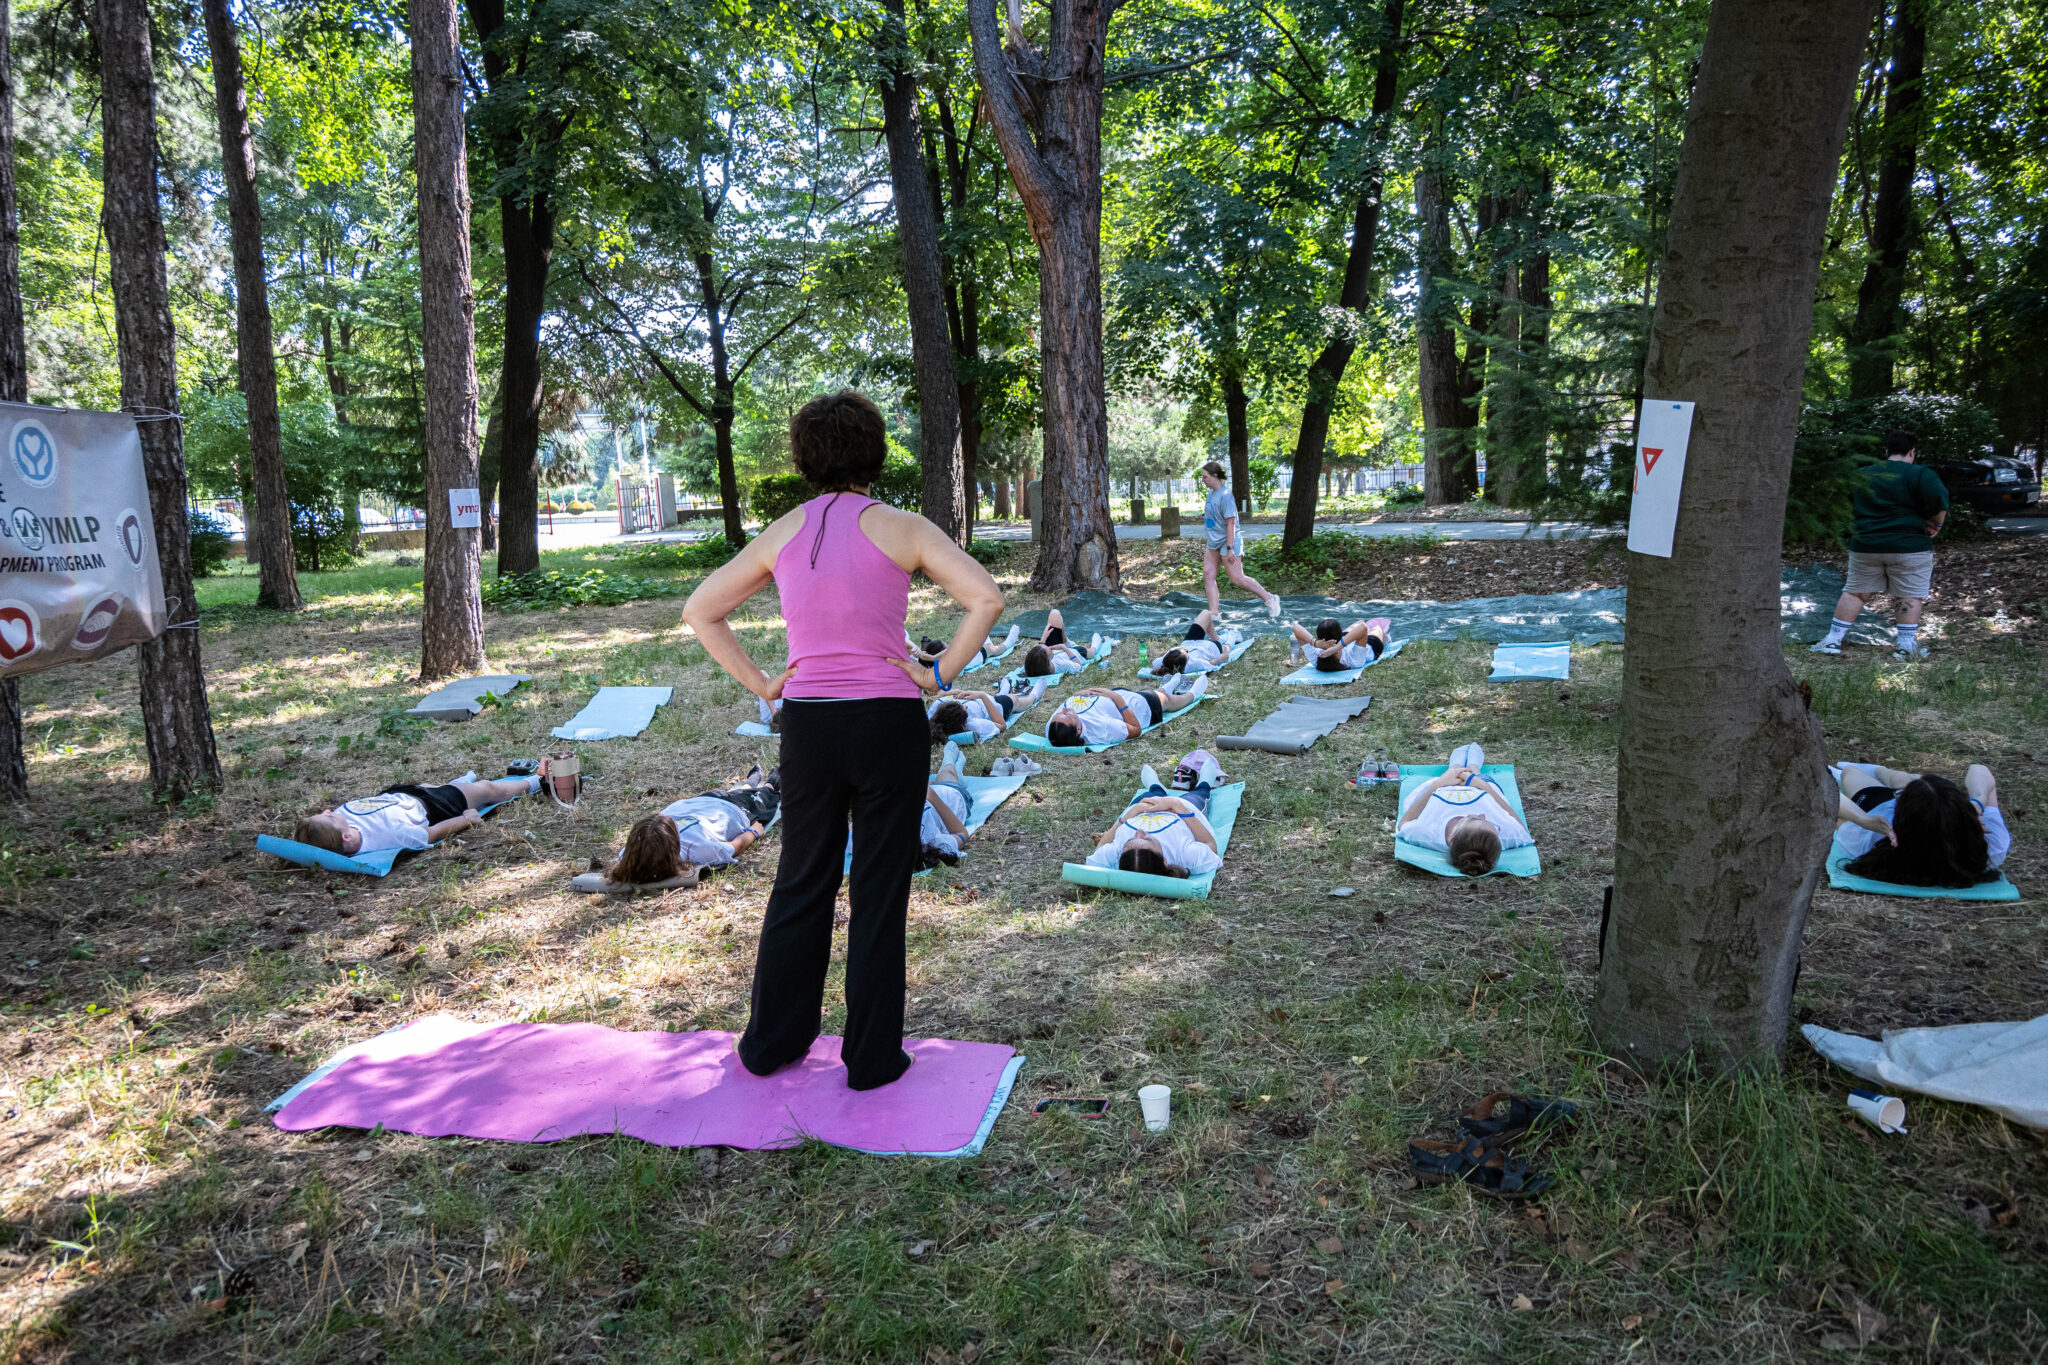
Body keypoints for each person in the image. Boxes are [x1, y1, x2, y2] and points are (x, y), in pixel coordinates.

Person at [682, 388, 1004, 1091]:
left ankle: (771, 1042)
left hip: (811, 727)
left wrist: (763, 684)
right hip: (887, 723)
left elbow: (701, 610)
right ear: (875, 452)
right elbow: (986, 597)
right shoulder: (904, 527)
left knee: (803, 878)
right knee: (879, 889)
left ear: (805, 459)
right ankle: (872, 1058)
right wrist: (939, 673)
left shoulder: (782, 532)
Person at [1811, 430, 1949, 661]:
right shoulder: (1921, 474)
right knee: (1909, 594)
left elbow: (1842, 504)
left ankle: (1832, 640)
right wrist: (1936, 524)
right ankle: (1905, 647)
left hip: (1866, 545)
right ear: (1912, 452)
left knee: (1855, 592)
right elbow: (1939, 502)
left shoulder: (1863, 474)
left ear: (1886, 452)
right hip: (1910, 545)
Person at [1834, 761, 2009, 887]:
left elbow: (1830, 801)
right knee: (1910, 783)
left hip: (1880, 807)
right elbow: (1979, 769)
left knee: (1850, 772)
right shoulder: (1991, 845)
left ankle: (1885, 773)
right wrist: (1978, 801)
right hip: (1928, 805)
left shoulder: (1869, 841)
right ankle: (1895, 776)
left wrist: (1864, 820)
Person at [294, 771, 540, 856]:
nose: (328, 811)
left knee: (434, 786)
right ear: (346, 837)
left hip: (398, 795)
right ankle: (537, 781)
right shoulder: (391, 836)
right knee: (487, 789)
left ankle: (456, 784)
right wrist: (465, 820)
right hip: (431, 805)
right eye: (328, 816)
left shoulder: (341, 825)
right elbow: (432, 833)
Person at [607, 767, 783, 882]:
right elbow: (735, 846)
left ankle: (753, 781)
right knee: (765, 794)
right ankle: (766, 782)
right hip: (713, 804)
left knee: (743, 794)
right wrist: (753, 832)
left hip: (717, 805)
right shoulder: (699, 849)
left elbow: (733, 847)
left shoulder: (628, 856)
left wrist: (753, 832)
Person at [1394, 743, 1532, 875]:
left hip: (1442, 788)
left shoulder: (1427, 833)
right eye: (1490, 823)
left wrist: (1439, 783)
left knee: (1453, 771)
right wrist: (1484, 786)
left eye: (1472, 818)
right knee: (1476, 773)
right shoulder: (1503, 836)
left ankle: (1455, 767)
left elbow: (1403, 824)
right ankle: (1473, 767)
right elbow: (1521, 828)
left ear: (1451, 837)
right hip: (1479, 787)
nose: (1482, 815)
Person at [1082, 754, 1228, 878]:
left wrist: (1132, 813)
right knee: (1200, 793)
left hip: (1140, 810)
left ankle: (1156, 787)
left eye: (1131, 840)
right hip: (1182, 811)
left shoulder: (1116, 855)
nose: (1139, 832)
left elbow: (1101, 846)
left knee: (1153, 793)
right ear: (1165, 861)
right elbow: (1210, 845)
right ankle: (1205, 782)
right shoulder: (1185, 856)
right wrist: (1174, 804)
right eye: (1147, 839)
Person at [1198, 461, 1282, 619]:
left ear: (1215, 476)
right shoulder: (1211, 493)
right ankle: (1214, 614)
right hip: (1213, 542)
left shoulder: (1226, 497)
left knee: (1237, 578)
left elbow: (1231, 523)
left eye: (1205, 477)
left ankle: (1270, 598)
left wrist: (1230, 548)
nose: (1202, 480)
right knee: (1208, 574)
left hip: (1229, 541)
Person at [1044, 677, 1207, 749]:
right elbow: (1135, 729)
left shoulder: (1053, 727)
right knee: (1167, 700)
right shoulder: (1103, 729)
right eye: (1067, 715)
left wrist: (1079, 694)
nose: (1064, 710)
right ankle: (1192, 694)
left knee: (1157, 692)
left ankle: (1167, 686)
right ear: (1079, 729)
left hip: (1115, 696)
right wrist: (1116, 698)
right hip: (1140, 706)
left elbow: (1069, 701)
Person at [927, 677, 1049, 743]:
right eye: (965, 710)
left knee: (999, 696)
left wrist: (949, 693)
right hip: (995, 707)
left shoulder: (937, 706)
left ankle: (1004, 689)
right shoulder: (972, 724)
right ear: (963, 721)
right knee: (1015, 699)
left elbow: (934, 697)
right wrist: (982, 695)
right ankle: (1034, 694)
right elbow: (1002, 725)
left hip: (982, 700)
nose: (966, 707)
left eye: (959, 704)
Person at [919, 742, 976, 867]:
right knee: (948, 771)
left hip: (939, 791)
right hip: (952, 795)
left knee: (945, 777)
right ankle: (952, 759)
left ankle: (956, 767)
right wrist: (931, 795)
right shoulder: (933, 843)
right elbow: (962, 833)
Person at [1155, 609, 1245, 676]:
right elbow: (1212, 663)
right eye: (1186, 653)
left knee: (1206, 613)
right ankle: (1233, 635)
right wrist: (1220, 659)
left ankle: (1218, 638)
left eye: (1182, 650)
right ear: (1186, 663)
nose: (1186, 650)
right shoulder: (1193, 664)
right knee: (1227, 647)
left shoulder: (1164, 660)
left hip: (1190, 641)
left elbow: (1155, 663)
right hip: (1212, 648)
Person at [1287, 616, 1392, 672]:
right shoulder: (1353, 662)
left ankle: (1352, 635)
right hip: (1369, 645)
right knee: (1377, 627)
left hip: (1344, 642)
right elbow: (1364, 627)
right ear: (1339, 635)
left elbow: (1295, 627)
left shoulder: (1315, 657)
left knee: (1360, 622)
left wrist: (1315, 643)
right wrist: (1337, 647)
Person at [1022, 609, 1103, 678]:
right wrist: (1064, 648)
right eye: (1048, 649)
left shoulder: (1034, 665)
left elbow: (1038, 654)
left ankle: (1066, 640)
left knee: (1055, 613)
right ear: (1048, 660)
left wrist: (1043, 637)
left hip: (1058, 649)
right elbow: (1079, 667)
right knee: (1093, 651)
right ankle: (1092, 645)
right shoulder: (1062, 665)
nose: (1049, 647)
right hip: (1077, 652)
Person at [911, 624, 1019, 670]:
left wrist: (922, 655)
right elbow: (950, 651)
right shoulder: (946, 666)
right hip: (976, 657)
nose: (949, 646)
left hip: (967, 652)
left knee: (976, 632)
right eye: (946, 647)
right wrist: (932, 657)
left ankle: (985, 636)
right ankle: (1009, 642)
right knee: (992, 649)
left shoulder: (937, 664)